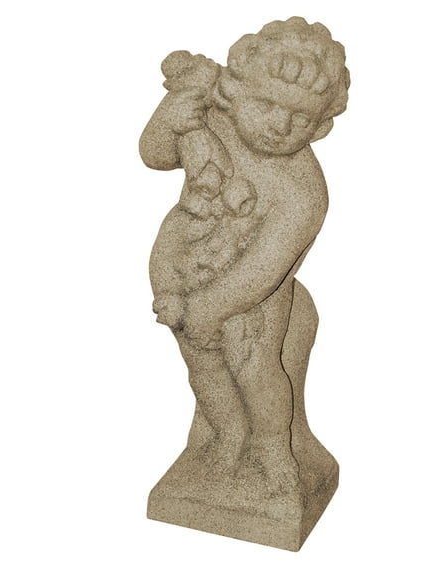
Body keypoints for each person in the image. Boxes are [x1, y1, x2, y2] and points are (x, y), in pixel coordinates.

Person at [140, 17, 350, 492]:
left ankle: (273, 450)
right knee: (203, 369)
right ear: (236, 92)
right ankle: (224, 433)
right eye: (266, 104)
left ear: (321, 125)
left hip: (249, 299)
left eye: (300, 118)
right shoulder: (216, 119)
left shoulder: (303, 192)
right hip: (181, 270)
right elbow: (155, 155)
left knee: (254, 368)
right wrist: (172, 114)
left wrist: (212, 307)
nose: (280, 125)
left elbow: (266, 268)